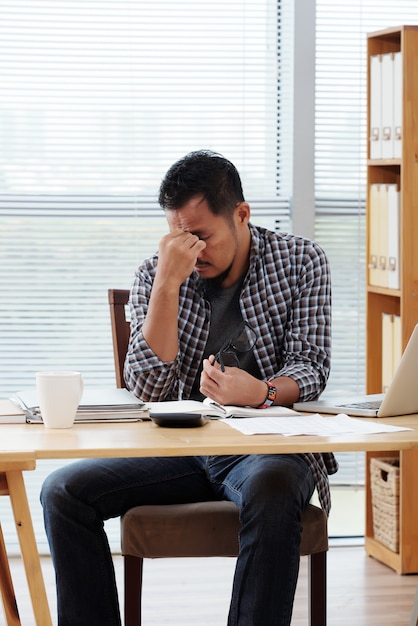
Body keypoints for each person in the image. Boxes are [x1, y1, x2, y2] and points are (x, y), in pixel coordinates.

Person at [41, 149, 338, 626]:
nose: (191, 251)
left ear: (241, 215)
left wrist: (258, 392)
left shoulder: (302, 261)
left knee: (275, 484)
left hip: (268, 447)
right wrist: (166, 284)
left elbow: (311, 367)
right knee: (62, 491)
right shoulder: (158, 273)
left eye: (201, 236)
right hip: (181, 446)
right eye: (179, 236)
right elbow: (147, 386)